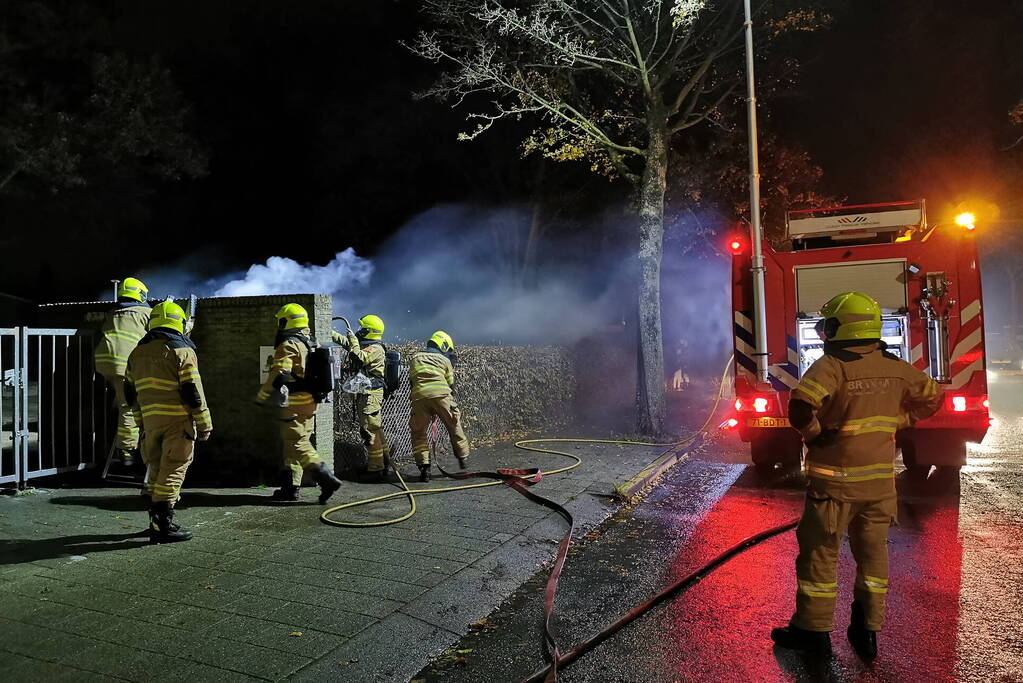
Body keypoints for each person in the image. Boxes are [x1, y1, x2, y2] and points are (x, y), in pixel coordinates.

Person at [770, 291, 942, 660]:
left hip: (833, 489)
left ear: (839, 328)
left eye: (828, 324)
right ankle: (866, 631)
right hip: (879, 489)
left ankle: (813, 634)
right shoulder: (896, 367)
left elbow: (801, 405)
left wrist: (815, 433)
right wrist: (900, 421)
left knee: (819, 558)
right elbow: (932, 397)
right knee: (873, 558)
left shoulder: (832, 366)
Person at [124, 301, 211, 543]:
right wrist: (205, 424)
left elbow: (130, 393)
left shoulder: (137, 352)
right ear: (179, 323)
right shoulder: (182, 351)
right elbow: (193, 392)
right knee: (172, 471)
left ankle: (154, 521)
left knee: (154, 470)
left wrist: (141, 421)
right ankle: (163, 525)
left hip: (150, 423)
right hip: (177, 422)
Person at [255, 303, 343, 503]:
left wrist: (262, 396)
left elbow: (279, 373)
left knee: (297, 443)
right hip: (311, 403)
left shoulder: (288, 345)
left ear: (286, 321)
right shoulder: (309, 343)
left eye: (281, 320)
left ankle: (326, 478)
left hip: (294, 403)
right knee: (292, 445)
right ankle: (290, 488)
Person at [94, 277, 151, 465]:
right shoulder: (145, 312)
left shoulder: (113, 313)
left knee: (121, 400)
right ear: (140, 295)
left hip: (104, 362)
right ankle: (126, 450)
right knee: (128, 406)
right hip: (123, 365)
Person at [333, 314, 389, 482]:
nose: (358, 331)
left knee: (369, 430)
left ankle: (375, 469)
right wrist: (329, 333)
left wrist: (352, 339)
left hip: (371, 394)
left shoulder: (376, 349)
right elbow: (348, 344)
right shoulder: (367, 345)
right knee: (375, 429)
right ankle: (383, 463)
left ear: (368, 331)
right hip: (366, 392)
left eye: (361, 329)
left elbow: (359, 356)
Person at [408, 331, 469, 482]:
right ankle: (462, 458)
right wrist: (440, 403)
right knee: (454, 425)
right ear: (444, 345)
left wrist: (426, 400)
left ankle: (424, 468)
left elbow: (412, 381)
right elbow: (451, 384)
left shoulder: (415, 358)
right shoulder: (445, 360)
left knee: (418, 433)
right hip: (442, 396)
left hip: (419, 397)